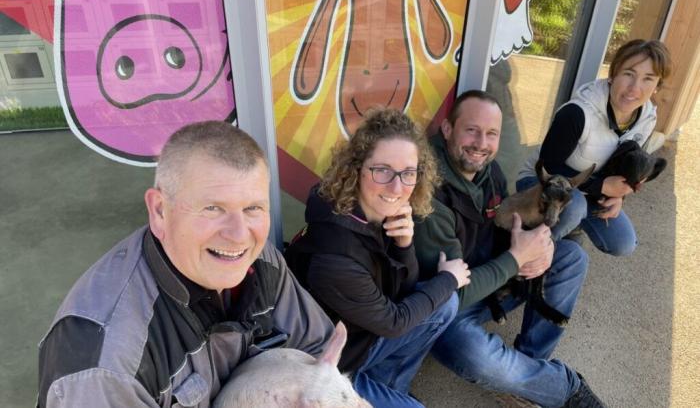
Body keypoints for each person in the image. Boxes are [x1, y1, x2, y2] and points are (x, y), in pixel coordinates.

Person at [38, 121, 335, 408]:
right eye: (213, 208)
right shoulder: (107, 366)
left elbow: (315, 351)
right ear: (159, 211)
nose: (238, 234)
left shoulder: (260, 259)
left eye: (253, 208)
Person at [413, 90, 605, 407]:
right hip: (449, 306)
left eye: (491, 134)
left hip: (494, 278)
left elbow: (505, 231)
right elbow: (448, 294)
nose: (481, 143)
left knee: (572, 258)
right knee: (470, 353)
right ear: (448, 129)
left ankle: (527, 371)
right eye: (471, 130)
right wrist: (516, 260)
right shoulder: (428, 193)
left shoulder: (491, 172)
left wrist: (535, 251)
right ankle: (564, 388)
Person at [285, 109, 470, 408]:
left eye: (408, 173)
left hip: (362, 335)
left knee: (445, 304)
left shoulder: (374, 212)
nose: (397, 188)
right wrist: (448, 278)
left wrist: (404, 244)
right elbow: (394, 322)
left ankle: (389, 388)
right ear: (357, 168)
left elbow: (403, 290)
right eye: (382, 170)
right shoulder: (335, 257)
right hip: (329, 366)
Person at [517, 39, 672, 255]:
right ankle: (525, 253)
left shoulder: (647, 117)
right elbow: (550, 166)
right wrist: (600, 187)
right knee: (575, 207)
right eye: (628, 74)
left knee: (623, 243)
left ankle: (565, 229)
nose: (635, 88)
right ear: (613, 75)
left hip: (585, 190)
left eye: (648, 79)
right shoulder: (577, 112)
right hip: (540, 182)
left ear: (657, 86)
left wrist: (619, 196)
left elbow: (625, 165)